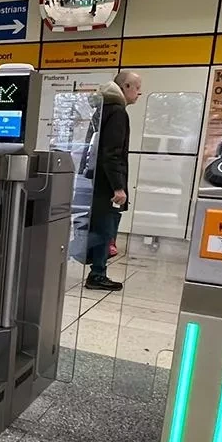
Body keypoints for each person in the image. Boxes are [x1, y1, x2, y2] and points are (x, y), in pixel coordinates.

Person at [83, 70, 142, 290]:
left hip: (94, 179)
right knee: (104, 230)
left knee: (100, 229)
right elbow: (111, 153)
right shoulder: (117, 112)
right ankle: (94, 272)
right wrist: (118, 187)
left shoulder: (102, 108)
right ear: (125, 87)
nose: (139, 92)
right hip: (106, 184)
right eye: (136, 87)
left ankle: (96, 271)